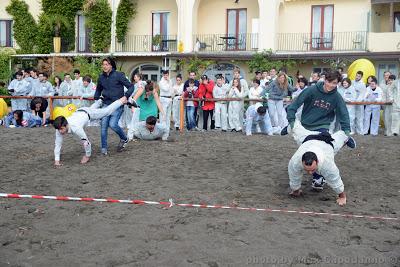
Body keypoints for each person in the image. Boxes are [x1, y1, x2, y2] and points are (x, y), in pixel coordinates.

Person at [288, 121, 350, 206]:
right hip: (307, 139)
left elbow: (335, 179)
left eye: (312, 170)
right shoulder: (295, 161)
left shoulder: (327, 164)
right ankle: (288, 128)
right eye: (307, 170)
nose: (310, 173)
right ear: (302, 162)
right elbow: (294, 175)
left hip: (328, 143)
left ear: (317, 162)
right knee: (295, 128)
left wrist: (342, 196)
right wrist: (295, 190)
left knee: (344, 135)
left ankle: (347, 140)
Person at [53, 97, 128, 166]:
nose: (60, 131)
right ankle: (100, 100)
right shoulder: (59, 127)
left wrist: (87, 156)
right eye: (59, 129)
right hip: (81, 111)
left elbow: (87, 143)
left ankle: (123, 100)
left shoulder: (76, 128)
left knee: (106, 112)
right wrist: (57, 161)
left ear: (65, 125)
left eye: (61, 129)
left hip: (89, 114)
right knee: (92, 108)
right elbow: (58, 144)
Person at [94, 57, 135, 155]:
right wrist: (96, 98)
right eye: (103, 64)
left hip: (118, 105)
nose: (104, 66)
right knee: (103, 126)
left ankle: (124, 138)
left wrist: (126, 96)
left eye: (106, 64)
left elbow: (131, 86)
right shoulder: (101, 77)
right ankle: (104, 149)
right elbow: (98, 89)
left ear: (111, 65)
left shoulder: (118, 75)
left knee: (112, 124)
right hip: (105, 105)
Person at [380, 71, 392, 136]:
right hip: (385, 103)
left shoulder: (394, 83)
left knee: (392, 117)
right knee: (385, 117)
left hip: (393, 103)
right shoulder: (381, 84)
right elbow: (382, 94)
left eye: (388, 75)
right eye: (385, 75)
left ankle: (392, 131)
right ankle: (387, 130)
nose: (386, 76)